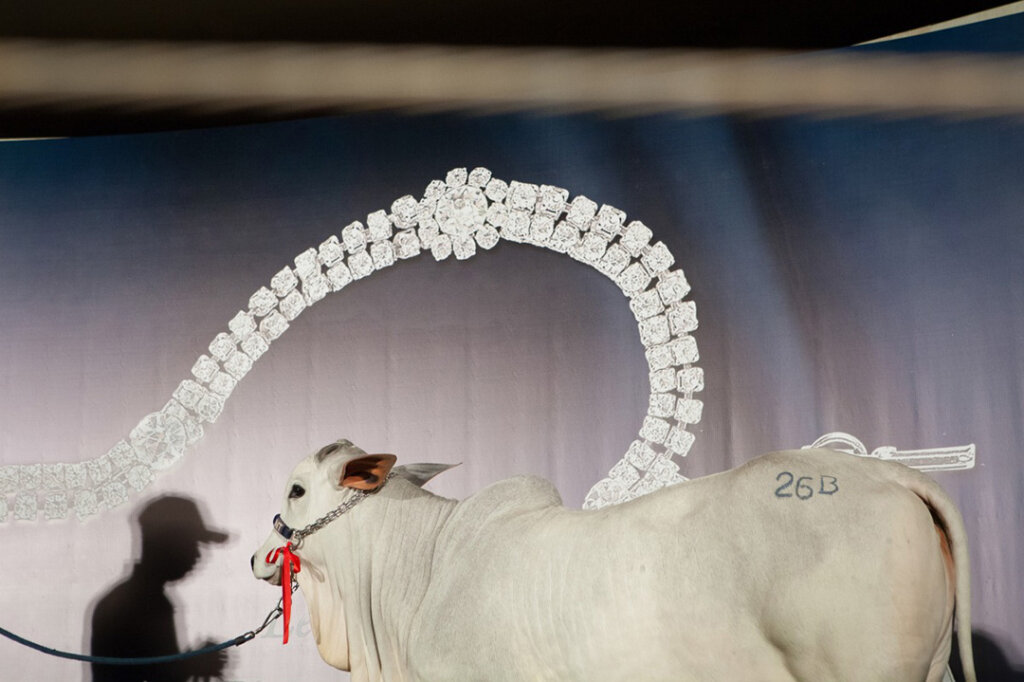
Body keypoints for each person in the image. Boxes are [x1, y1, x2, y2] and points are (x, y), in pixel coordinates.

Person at [90, 496, 229, 682]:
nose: (197, 555)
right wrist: (193, 664)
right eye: (191, 543)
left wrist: (190, 664)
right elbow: (157, 675)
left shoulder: (135, 600)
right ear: (167, 545)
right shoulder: (145, 604)